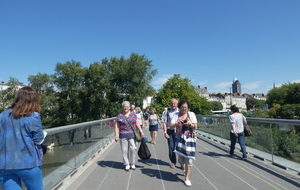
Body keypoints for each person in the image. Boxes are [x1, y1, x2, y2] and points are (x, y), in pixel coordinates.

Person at [0, 87, 46, 190]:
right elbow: (38, 140)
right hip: (28, 162)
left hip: (5, 164)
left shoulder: (2, 115)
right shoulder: (33, 116)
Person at [170, 100, 197, 187]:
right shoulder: (175, 115)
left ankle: (187, 178)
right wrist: (177, 123)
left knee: (189, 159)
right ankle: (182, 167)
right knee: (181, 160)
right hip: (179, 138)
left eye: (186, 107)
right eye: (182, 107)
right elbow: (170, 126)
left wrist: (191, 124)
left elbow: (196, 126)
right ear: (179, 107)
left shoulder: (191, 114)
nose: (184, 109)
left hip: (190, 139)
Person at [115, 101, 144, 171]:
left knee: (133, 149)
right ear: (122, 107)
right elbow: (116, 126)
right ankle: (127, 164)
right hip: (123, 136)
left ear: (129, 107)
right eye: (124, 106)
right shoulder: (119, 116)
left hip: (132, 135)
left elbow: (136, 123)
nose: (126, 108)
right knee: (124, 151)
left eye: (127, 106)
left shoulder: (133, 114)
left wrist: (141, 131)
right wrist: (116, 135)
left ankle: (132, 163)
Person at [161, 99, 179, 168]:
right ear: (170, 104)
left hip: (179, 131)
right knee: (171, 147)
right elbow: (164, 123)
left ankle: (181, 162)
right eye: (172, 103)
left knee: (179, 147)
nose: (173, 104)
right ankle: (173, 162)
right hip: (170, 131)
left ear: (177, 104)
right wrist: (165, 132)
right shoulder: (167, 111)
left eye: (174, 103)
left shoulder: (180, 111)